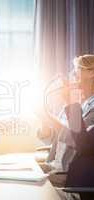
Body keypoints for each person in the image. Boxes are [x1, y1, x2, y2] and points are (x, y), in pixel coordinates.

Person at [37, 54, 94, 187]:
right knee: (25, 169)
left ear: (91, 76)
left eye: (77, 74)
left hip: (68, 176)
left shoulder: (81, 107)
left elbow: (80, 141)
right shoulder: (80, 104)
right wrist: (43, 118)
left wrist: (69, 102)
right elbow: (56, 139)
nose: (74, 79)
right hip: (54, 167)